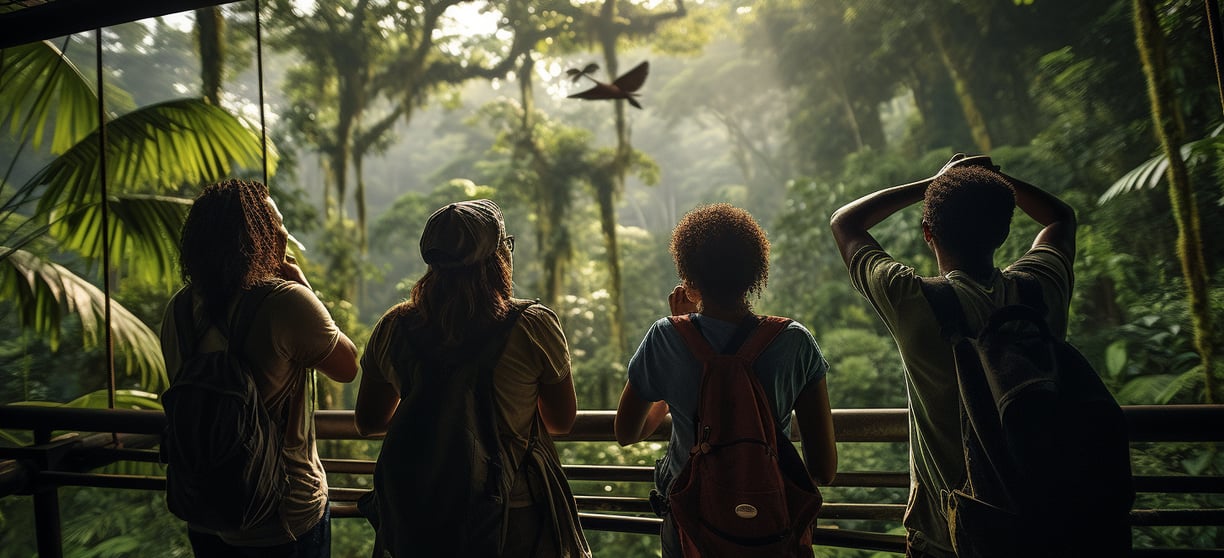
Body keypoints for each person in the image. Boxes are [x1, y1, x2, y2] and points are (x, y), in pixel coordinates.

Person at [829, 154, 1077, 558]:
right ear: (1003, 229)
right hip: (1044, 527)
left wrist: (935, 180)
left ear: (928, 232)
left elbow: (845, 222)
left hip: (948, 537)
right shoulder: (1041, 288)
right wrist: (992, 180)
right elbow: (1060, 218)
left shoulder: (911, 299)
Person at [354, 199, 590, 558]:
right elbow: (561, 421)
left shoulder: (394, 326)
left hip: (420, 508)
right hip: (511, 509)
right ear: (499, 257)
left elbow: (369, 421)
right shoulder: (532, 325)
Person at [614, 203, 838, 557]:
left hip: (691, 525)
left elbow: (627, 433)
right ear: (755, 272)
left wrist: (679, 347)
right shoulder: (795, 341)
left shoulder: (664, 338)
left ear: (689, 278)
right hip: (769, 522)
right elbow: (823, 469)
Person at [161, 179, 359, 557]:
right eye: (276, 224)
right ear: (260, 235)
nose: (284, 232)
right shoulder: (285, 302)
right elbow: (347, 365)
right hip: (283, 517)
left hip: (204, 513)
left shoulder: (180, 310)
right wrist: (303, 285)